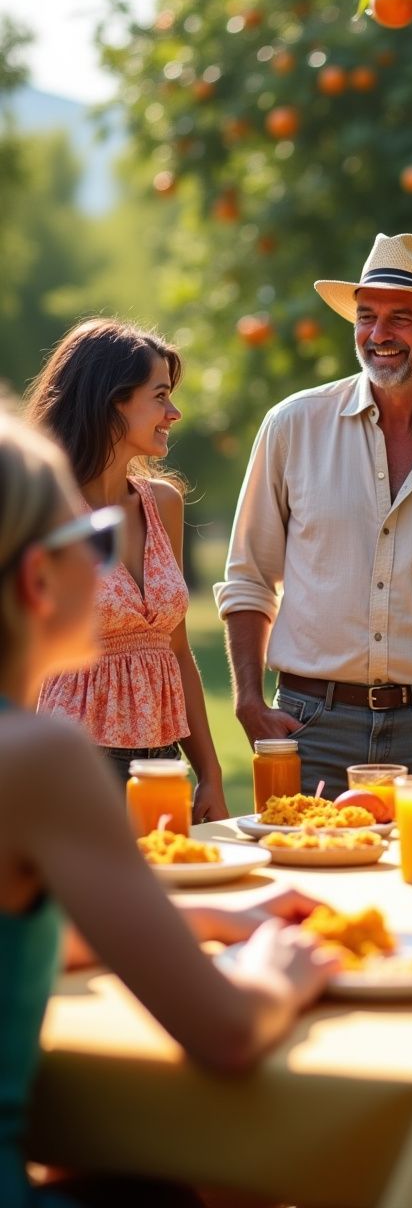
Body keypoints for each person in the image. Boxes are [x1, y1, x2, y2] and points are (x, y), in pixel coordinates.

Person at [0, 408, 337, 1207]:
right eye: (93, 543)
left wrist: (215, 920)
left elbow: (39, 939)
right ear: (36, 581)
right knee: (248, 1176)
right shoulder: (40, 757)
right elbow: (226, 1032)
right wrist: (274, 972)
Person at [215, 232, 412, 797]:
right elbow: (248, 579)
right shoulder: (292, 427)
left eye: (400, 318)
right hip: (308, 725)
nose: (378, 334)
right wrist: (246, 701)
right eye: (367, 316)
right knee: (299, 877)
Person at [26, 319, 228, 821]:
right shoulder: (44, 510)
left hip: (164, 764)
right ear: (113, 400)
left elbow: (177, 648)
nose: (173, 413)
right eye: (160, 396)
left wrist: (210, 773)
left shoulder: (163, 503)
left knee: (178, 892)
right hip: (74, 761)